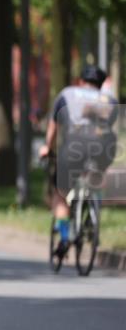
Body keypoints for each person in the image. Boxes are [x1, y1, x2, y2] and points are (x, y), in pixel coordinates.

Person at [38, 65, 118, 259]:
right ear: (100, 84)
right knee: (97, 176)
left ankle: (65, 238)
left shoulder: (67, 93)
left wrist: (47, 148)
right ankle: (93, 215)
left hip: (75, 144)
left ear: (81, 81)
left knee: (60, 193)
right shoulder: (110, 99)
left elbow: (54, 126)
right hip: (105, 145)